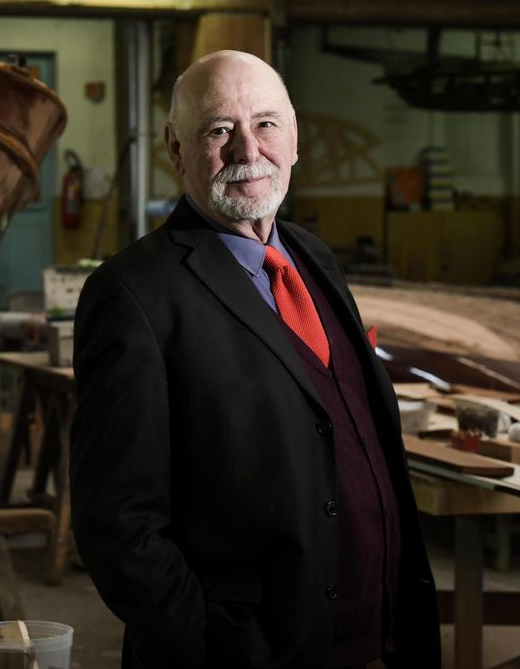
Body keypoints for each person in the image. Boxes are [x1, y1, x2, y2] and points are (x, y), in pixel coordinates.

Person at [70, 51, 439, 668]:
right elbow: (118, 526)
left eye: (266, 124)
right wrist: (218, 646)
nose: (248, 150)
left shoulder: (313, 258)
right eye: (219, 130)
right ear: (175, 147)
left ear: (293, 139)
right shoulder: (133, 294)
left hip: (376, 643)